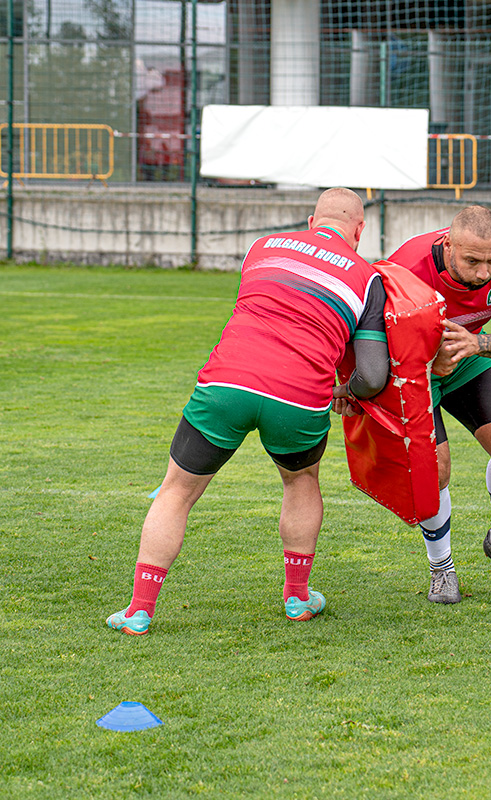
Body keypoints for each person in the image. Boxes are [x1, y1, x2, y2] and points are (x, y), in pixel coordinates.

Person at [106, 188, 390, 635]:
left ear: (312, 221)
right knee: (301, 481)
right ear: (360, 230)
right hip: (299, 397)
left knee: (176, 492)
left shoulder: (262, 246)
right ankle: (297, 598)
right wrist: (343, 390)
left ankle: (139, 610)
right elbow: (373, 376)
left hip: (227, 384)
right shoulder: (367, 278)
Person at [384, 205, 491, 604]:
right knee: (436, 468)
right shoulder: (406, 268)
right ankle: (442, 568)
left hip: (468, 353)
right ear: (448, 245)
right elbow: (370, 336)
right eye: (473, 261)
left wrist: (476, 343)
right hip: (413, 370)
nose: (484, 273)